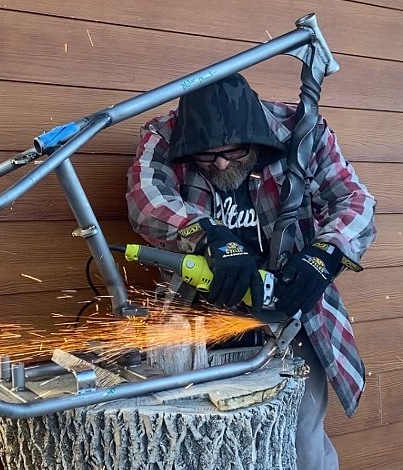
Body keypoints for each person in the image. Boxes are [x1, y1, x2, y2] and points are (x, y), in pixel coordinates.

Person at [126, 72, 376, 469]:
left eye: (235, 152)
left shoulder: (301, 130)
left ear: (256, 137)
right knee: (200, 441)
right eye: (207, 156)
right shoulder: (164, 135)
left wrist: (324, 254)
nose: (221, 162)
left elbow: (355, 200)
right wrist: (207, 235)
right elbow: (146, 199)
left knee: (301, 439)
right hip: (201, 318)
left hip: (294, 311)